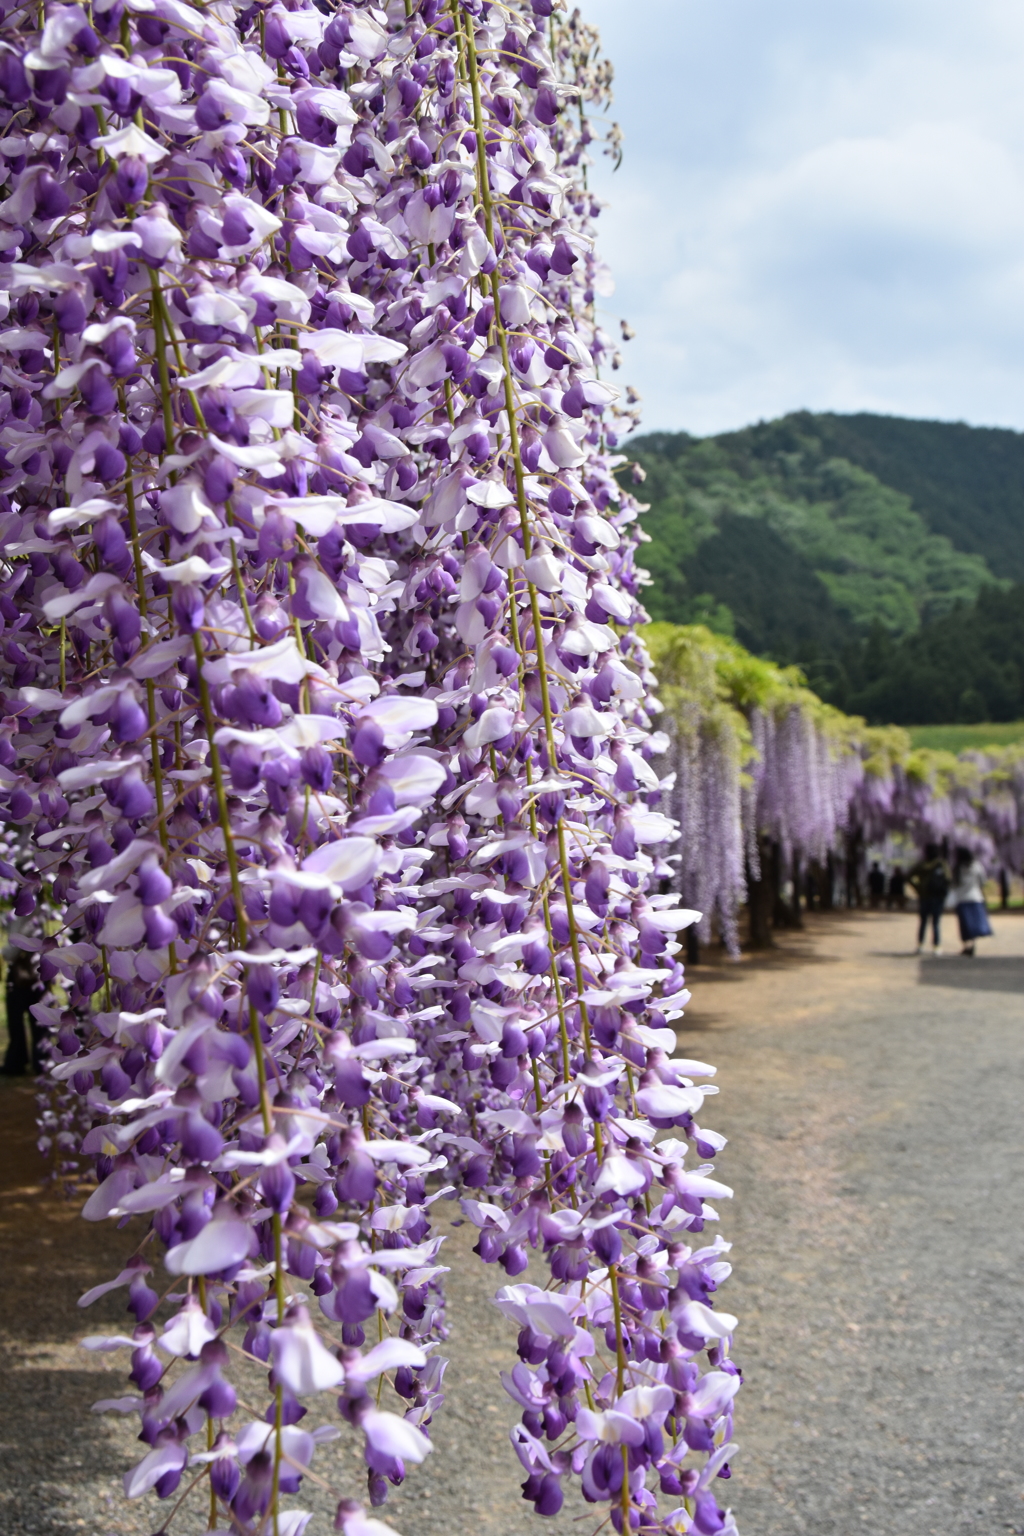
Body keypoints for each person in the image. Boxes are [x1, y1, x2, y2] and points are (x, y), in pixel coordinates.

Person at [950, 845, 993, 957]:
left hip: (962, 899)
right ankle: (972, 944)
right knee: (973, 923)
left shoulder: (957, 868)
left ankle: (966, 946)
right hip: (976, 897)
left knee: (964, 924)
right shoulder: (977, 866)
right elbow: (983, 881)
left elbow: (954, 884)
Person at [908, 843, 951, 955]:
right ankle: (936, 946)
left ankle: (920, 945)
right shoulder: (941, 864)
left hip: (925, 897)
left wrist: (918, 888)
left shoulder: (922, 865)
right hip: (937, 898)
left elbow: (908, 876)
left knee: (923, 922)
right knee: (936, 923)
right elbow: (948, 878)